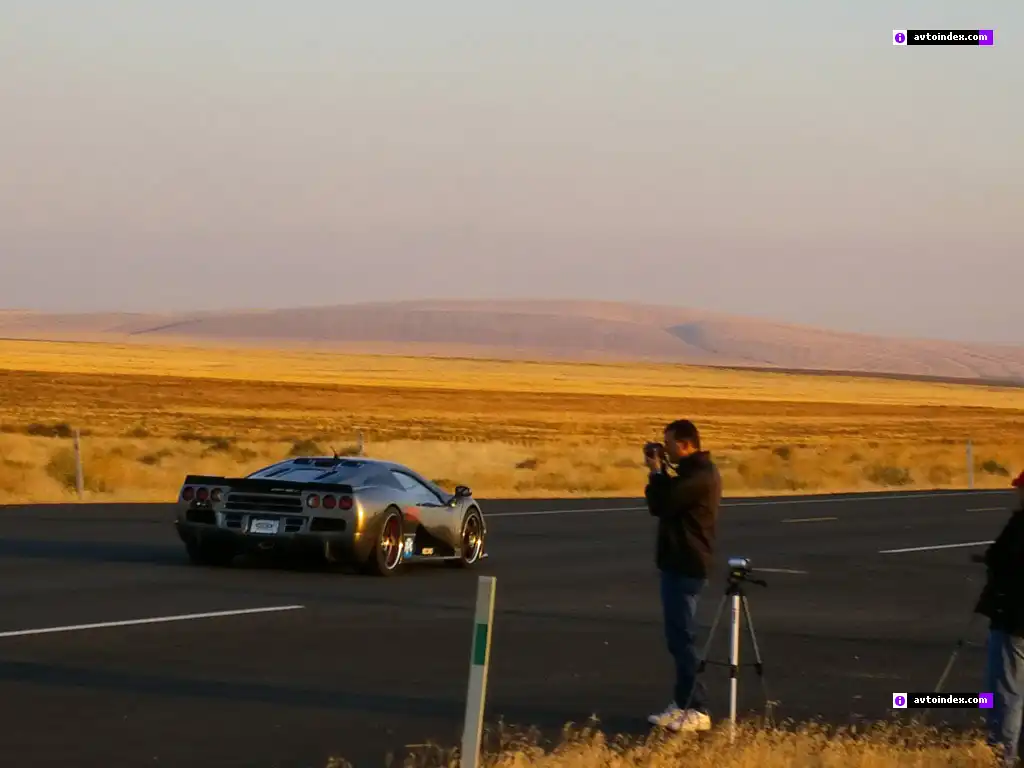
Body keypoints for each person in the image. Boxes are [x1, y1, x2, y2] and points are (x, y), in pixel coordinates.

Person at [643, 419, 722, 733]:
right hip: (678, 562)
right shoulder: (692, 473)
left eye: (669, 444)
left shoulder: (700, 476)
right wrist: (661, 472)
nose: (666, 449)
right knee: (678, 638)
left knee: (684, 638)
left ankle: (697, 708)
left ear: (686, 444)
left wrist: (656, 472)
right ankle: (682, 703)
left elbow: (661, 504)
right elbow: (664, 502)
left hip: (687, 564)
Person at [975, 470, 1024, 767]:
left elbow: (1006, 559)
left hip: (1014, 618)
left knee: (1006, 690)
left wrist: (992, 562)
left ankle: (1002, 755)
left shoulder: (1020, 525)